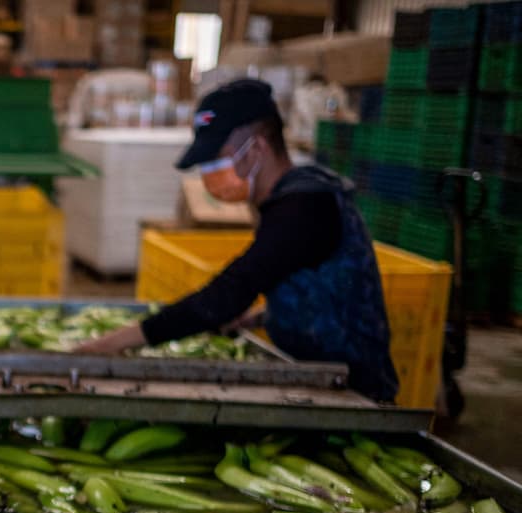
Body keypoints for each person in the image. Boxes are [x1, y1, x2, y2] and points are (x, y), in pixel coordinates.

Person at [76, 79, 399, 403]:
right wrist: (260, 317)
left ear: (257, 148)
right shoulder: (291, 200)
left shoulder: (305, 207)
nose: (209, 172)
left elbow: (227, 293)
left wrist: (113, 343)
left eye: (218, 157)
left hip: (353, 394)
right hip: (312, 380)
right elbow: (317, 286)